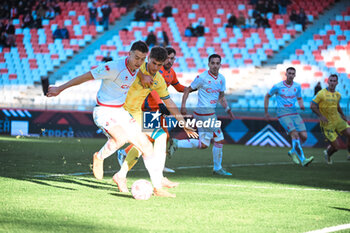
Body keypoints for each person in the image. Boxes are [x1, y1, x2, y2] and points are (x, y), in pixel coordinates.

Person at [46, 41, 173, 197]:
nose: (139, 62)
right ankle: (99, 157)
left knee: (147, 145)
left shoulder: (144, 70)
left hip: (124, 112)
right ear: (129, 54)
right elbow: (86, 76)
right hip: (104, 111)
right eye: (136, 58)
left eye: (142, 59)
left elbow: (137, 71)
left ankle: (157, 186)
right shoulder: (112, 67)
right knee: (121, 139)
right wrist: (59, 88)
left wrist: (143, 75)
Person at [109, 46, 198, 197]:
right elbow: (127, 65)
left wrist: (183, 124)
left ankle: (147, 181)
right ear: (148, 59)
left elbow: (170, 102)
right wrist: (141, 75)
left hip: (137, 113)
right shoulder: (138, 65)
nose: (155, 67)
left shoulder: (159, 79)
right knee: (143, 142)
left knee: (160, 136)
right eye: (153, 63)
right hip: (120, 112)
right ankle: (136, 178)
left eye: (159, 65)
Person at [117, 47, 186, 173]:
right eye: (168, 58)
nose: (169, 61)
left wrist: (191, 88)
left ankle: (158, 167)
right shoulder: (149, 69)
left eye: (172, 58)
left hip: (154, 109)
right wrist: (160, 104)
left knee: (162, 136)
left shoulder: (169, 74)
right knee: (149, 138)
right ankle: (125, 154)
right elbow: (152, 88)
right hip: (148, 108)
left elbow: (177, 89)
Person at [167, 54, 235, 176]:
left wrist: (228, 110)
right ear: (208, 64)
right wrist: (183, 106)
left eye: (217, 63)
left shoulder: (221, 79)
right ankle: (217, 168)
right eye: (212, 63)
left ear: (220, 64)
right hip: (205, 113)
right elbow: (188, 89)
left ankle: (177, 142)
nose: (215, 65)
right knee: (219, 138)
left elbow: (222, 97)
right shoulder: (202, 77)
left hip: (205, 114)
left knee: (204, 144)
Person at [264, 67, 314, 167]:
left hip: (294, 113)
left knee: (304, 136)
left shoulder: (297, 86)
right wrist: (266, 112)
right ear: (286, 74)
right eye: (289, 73)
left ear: (295, 75)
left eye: (292, 73)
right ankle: (303, 160)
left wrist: (301, 105)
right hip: (282, 113)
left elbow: (299, 98)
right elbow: (267, 96)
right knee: (295, 134)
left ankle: (292, 151)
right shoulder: (278, 86)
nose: (291, 75)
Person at [311, 74, 350, 164]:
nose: (332, 83)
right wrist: (321, 116)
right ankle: (328, 153)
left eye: (334, 81)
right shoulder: (321, 93)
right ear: (328, 81)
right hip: (327, 123)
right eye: (331, 81)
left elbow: (337, 106)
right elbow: (312, 106)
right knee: (336, 147)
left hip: (338, 120)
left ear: (337, 83)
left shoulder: (338, 95)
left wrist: (343, 115)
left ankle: (349, 153)